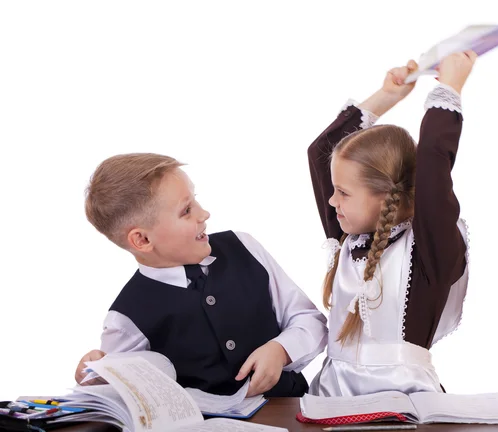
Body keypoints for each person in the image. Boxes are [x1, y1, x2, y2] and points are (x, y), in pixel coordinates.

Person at [74, 153, 328, 397]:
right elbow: (118, 397)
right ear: (142, 239)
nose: (203, 214)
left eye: (195, 200)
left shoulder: (244, 247)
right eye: (186, 210)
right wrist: (96, 377)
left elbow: (310, 320)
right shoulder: (125, 319)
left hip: (290, 413)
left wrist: (281, 350)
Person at [307, 52, 476, 396]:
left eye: (342, 192)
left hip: (405, 404)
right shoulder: (350, 234)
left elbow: (432, 164)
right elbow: (321, 150)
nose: (330, 200)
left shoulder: (429, 251)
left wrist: (450, 90)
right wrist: (388, 96)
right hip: (331, 399)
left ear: (385, 196)